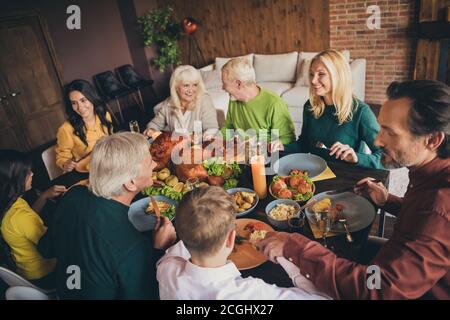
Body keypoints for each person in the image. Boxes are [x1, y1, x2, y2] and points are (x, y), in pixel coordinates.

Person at [258, 80, 450, 299]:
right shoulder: (431, 175)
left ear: (433, 140)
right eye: (381, 128)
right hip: (396, 264)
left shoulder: (439, 207)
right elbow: (422, 219)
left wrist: (294, 247)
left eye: (390, 132)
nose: (377, 140)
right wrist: (389, 201)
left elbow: (375, 288)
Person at [38, 132, 177, 299]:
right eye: (149, 162)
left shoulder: (73, 194)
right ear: (131, 183)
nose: (154, 165)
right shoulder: (134, 248)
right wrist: (159, 250)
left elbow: (46, 249)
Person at [157, 186, 330, 300]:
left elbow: (169, 258)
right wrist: (287, 254)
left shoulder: (167, 270)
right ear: (231, 238)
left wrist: (168, 245)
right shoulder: (254, 293)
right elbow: (324, 297)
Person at [271, 49, 382, 169]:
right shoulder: (310, 106)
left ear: (338, 76)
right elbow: (304, 144)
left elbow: (384, 157)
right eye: (312, 74)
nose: (313, 81)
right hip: (315, 173)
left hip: (345, 175)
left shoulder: (361, 112)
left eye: (321, 74)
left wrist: (357, 157)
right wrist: (283, 147)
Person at [0, 149, 66, 289]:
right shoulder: (20, 217)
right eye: (27, 173)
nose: (32, 174)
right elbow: (52, 247)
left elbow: (28, 220)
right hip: (46, 274)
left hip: (26, 270)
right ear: (14, 179)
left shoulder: (10, 204)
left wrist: (43, 196)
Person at [220, 58, 296, 145]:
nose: (223, 88)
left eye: (224, 84)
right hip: (240, 153)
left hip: (266, 155)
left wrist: (260, 144)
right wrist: (215, 137)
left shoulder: (274, 104)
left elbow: (288, 139)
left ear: (239, 84)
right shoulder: (234, 99)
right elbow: (229, 128)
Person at [144, 65, 218, 139]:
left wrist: (196, 139)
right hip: (175, 148)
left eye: (195, 85)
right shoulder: (168, 103)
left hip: (198, 147)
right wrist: (151, 130)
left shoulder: (204, 100)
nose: (191, 90)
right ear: (176, 87)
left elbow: (212, 129)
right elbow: (154, 124)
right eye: (186, 85)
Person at [56, 79, 113, 172]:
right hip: (88, 171)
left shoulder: (104, 115)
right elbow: (62, 157)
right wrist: (65, 163)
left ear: (92, 98)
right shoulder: (66, 129)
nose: (80, 107)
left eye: (83, 100)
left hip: (110, 164)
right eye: (74, 103)